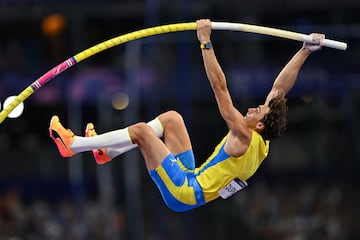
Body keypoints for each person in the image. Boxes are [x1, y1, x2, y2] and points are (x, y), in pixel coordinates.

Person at [49, 19, 325, 212]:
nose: (252, 108)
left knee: (142, 132)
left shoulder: (244, 134)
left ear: (261, 124)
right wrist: (305, 51)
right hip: (191, 177)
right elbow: (279, 88)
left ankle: (74, 146)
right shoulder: (262, 144)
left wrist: (205, 42)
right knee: (172, 119)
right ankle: (105, 152)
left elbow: (220, 88)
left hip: (184, 191)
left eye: (257, 111)